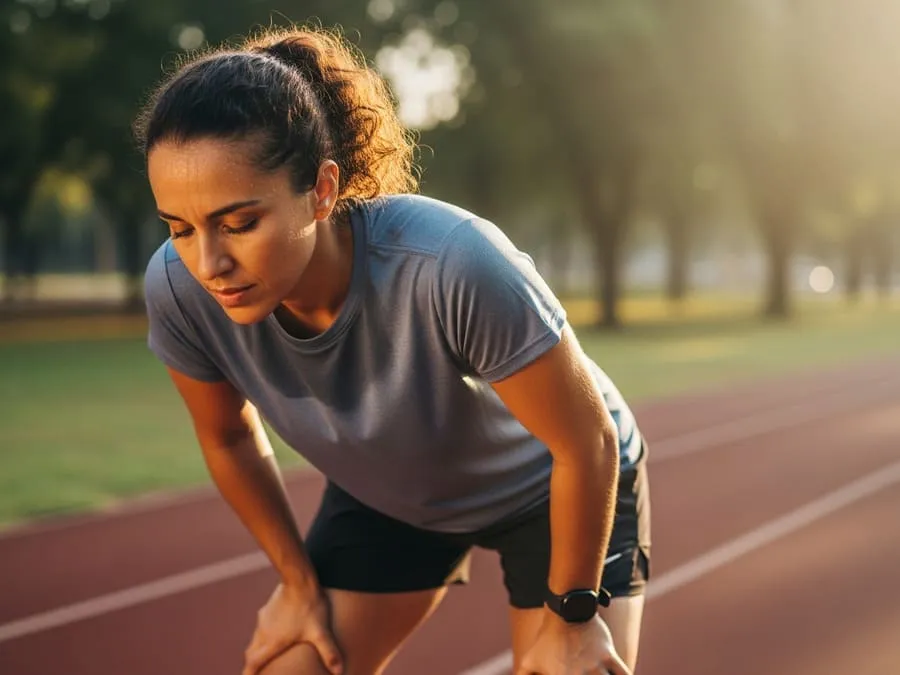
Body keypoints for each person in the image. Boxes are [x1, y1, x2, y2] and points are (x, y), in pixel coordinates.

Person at [134, 24, 651, 675]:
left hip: (551, 483)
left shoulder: (451, 263)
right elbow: (230, 438)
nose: (209, 262)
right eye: (180, 228)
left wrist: (572, 617)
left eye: (239, 223)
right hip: (393, 492)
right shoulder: (180, 291)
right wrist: (296, 582)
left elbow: (586, 443)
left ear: (322, 190)